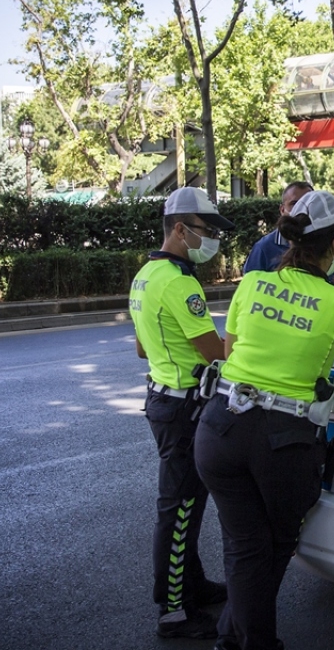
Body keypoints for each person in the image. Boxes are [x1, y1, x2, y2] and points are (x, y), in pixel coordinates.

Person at [195, 191, 334, 650]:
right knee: (271, 544)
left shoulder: (251, 284)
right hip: (281, 441)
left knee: (243, 545)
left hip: (218, 428)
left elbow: (232, 354)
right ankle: (252, 642)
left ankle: (232, 638)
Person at [129, 186, 235, 639]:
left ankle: (191, 584)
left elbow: (140, 348)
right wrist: (245, 336)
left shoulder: (146, 275)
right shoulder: (179, 282)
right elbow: (213, 351)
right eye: (205, 230)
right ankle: (174, 611)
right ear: (179, 229)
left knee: (184, 505)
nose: (210, 239)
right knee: (181, 508)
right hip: (186, 405)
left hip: (163, 398)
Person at [242, 181, 334, 285]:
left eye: (308, 204)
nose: (302, 209)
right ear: (282, 210)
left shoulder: (329, 244)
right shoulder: (263, 248)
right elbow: (249, 285)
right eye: (294, 203)